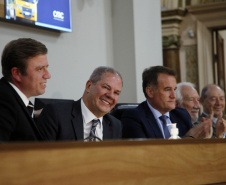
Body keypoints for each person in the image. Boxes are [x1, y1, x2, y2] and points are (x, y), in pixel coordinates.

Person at [121, 66, 212, 139]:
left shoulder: (181, 115)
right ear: (150, 92)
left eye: (174, 90)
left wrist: (203, 139)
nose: (173, 96)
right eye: (167, 90)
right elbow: (145, 154)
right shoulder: (134, 117)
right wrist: (189, 138)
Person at [37, 66, 123, 141]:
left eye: (116, 93)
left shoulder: (115, 125)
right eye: (106, 87)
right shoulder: (56, 114)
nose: (110, 96)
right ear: (89, 86)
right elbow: (41, 156)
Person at [0, 38, 51, 142]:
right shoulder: (3, 102)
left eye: (46, 67)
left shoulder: (13, 100)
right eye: (40, 69)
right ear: (17, 73)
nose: (48, 75)